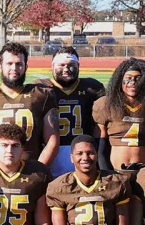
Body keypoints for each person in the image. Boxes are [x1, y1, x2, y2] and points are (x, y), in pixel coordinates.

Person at [0, 43, 58, 165]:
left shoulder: (42, 95)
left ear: (26, 66)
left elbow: (52, 141)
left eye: (19, 64)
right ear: (0, 66)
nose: (14, 68)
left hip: (31, 170)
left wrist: (39, 170)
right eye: (9, 64)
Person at [92, 58, 145, 172]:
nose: (132, 82)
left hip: (144, 171)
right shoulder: (105, 104)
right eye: (128, 78)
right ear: (119, 80)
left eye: (138, 79)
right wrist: (107, 172)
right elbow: (100, 147)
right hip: (115, 170)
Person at [38, 48, 105, 177]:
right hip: (49, 151)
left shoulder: (92, 88)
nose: (66, 69)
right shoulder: (41, 89)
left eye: (71, 65)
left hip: (82, 151)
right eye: (61, 65)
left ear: (78, 66)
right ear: (52, 66)